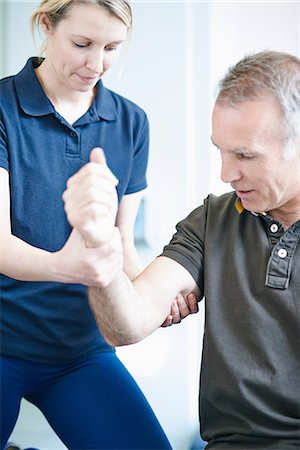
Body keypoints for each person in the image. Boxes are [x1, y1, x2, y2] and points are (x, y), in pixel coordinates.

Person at [63, 50, 300, 448]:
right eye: (220, 150)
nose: (225, 174)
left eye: (244, 155)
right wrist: (100, 250)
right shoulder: (214, 219)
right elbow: (129, 322)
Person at [0, 0, 198, 447]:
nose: (97, 64)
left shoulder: (131, 122)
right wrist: (68, 267)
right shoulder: (2, 109)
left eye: (112, 47)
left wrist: (152, 296)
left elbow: (122, 244)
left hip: (79, 349)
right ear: (47, 26)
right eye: (82, 44)